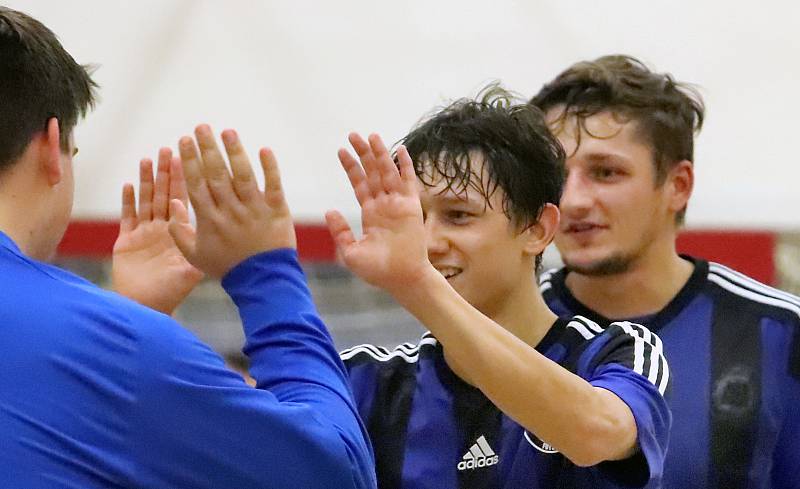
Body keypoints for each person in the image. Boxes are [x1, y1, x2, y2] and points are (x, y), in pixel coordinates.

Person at [0, 7, 375, 488]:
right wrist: (267, 274)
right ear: (52, 147)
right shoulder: (113, 349)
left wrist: (130, 315)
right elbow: (336, 472)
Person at [327, 87, 671, 488]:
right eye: (414, 218)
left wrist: (418, 283)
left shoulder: (616, 352)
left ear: (537, 229)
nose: (428, 241)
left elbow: (595, 434)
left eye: (458, 215)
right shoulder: (361, 379)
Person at [530, 54, 800, 488]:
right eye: (555, 175)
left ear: (678, 185)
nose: (574, 200)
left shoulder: (781, 333)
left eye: (605, 172)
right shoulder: (495, 335)